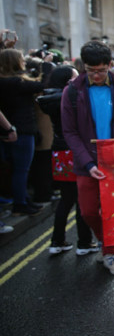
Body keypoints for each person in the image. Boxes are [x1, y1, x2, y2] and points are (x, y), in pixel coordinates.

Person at [61, 40, 114, 275]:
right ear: (83, 66)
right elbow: (70, 132)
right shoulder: (72, 91)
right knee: (86, 212)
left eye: (101, 70)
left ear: (109, 65)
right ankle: (106, 243)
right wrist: (87, 162)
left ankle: (110, 252)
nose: (96, 75)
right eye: (90, 70)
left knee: (112, 212)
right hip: (87, 163)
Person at [37, 66, 98, 255]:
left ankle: (57, 241)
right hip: (75, 151)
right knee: (82, 199)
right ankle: (84, 242)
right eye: (75, 77)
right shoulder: (70, 98)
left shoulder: (50, 98)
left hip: (59, 152)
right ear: (68, 81)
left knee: (66, 199)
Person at [0, 48, 45, 216]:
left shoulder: (5, 82)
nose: (24, 62)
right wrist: (45, 64)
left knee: (18, 169)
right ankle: (20, 203)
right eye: (21, 59)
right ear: (14, 62)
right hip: (22, 130)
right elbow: (41, 84)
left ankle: (24, 199)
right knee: (22, 169)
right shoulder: (17, 82)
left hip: (12, 130)